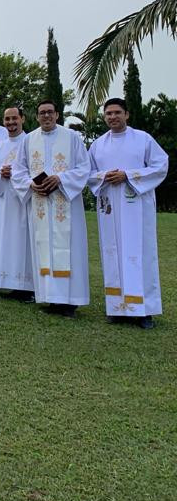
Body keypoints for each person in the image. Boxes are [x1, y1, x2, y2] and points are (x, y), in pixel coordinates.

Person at [88, 97, 169, 328]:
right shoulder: (98, 144)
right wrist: (104, 176)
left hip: (137, 206)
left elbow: (160, 165)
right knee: (112, 252)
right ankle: (117, 307)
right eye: (108, 113)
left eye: (117, 112)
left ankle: (143, 311)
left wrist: (128, 175)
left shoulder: (142, 139)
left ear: (127, 114)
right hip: (109, 208)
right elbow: (89, 172)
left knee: (140, 253)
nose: (112, 117)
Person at [12, 99, 91, 317]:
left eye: (50, 112)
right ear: (36, 117)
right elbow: (18, 170)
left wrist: (61, 179)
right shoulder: (29, 140)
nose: (46, 116)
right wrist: (31, 183)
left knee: (69, 249)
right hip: (40, 205)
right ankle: (50, 298)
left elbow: (85, 167)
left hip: (66, 203)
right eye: (41, 113)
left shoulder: (72, 137)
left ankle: (70, 302)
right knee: (43, 248)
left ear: (57, 115)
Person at [0, 106, 34, 298]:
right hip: (5, 200)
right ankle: (8, 280)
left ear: (22, 118)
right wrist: (0, 174)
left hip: (25, 199)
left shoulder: (30, 142)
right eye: (7, 119)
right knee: (6, 239)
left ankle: (26, 285)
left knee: (24, 240)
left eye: (14, 118)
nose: (11, 123)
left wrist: (17, 176)